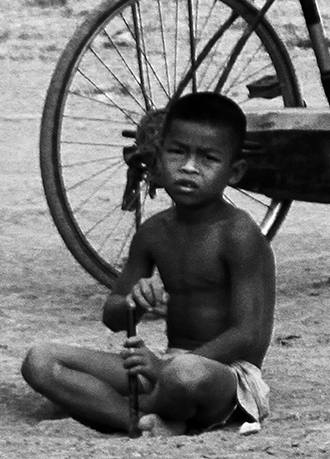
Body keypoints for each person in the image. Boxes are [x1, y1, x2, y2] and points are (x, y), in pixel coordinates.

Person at [22, 92, 276, 437]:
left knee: (184, 374)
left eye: (208, 158)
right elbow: (112, 316)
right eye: (176, 152)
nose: (188, 167)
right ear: (157, 161)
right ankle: (140, 421)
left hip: (225, 376)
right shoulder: (153, 233)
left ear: (235, 171)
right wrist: (133, 303)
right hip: (165, 364)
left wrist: (163, 368)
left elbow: (249, 335)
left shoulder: (240, 234)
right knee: (41, 361)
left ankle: (105, 405)